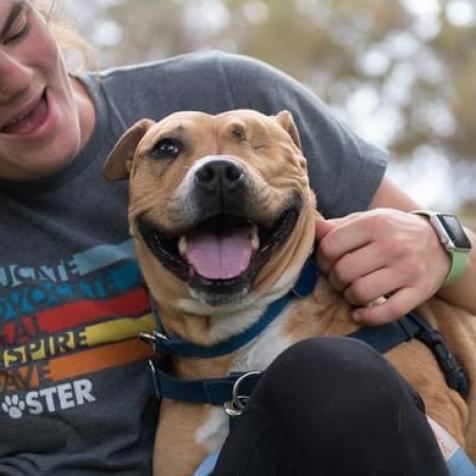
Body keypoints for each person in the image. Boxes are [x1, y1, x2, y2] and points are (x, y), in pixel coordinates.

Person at [0, 1, 474, 475]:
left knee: (332, 374)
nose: (13, 78)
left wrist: (446, 245)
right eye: (168, 150)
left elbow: (459, 272)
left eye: (15, 29)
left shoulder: (228, 89)